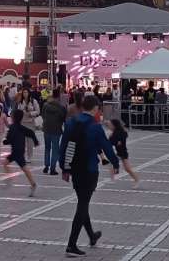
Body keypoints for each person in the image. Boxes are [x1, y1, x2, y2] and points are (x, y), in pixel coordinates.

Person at [60, 94, 119, 257]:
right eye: (98, 109)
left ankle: (92, 235)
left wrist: (64, 168)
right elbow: (106, 146)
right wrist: (115, 162)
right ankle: (71, 245)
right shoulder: (94, 126)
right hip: (89, 169)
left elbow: (63, 145)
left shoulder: (71, 122)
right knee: (83, 205)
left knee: (82, 202)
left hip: (75, 169)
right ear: (94, 109)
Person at [2, 109, 40, 196]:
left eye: (12, 115)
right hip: (19, 150)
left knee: (24, 168)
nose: (11, 116)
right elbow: (31, 133)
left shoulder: (12, 127)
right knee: (6, 163)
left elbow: (9, 139)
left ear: (14, 117)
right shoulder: (21, 127)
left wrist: (5, 142)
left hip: (17, 152)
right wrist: (36, 141)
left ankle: (33, 184)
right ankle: (10, 179)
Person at [41, 88, 67, 175]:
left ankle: (46, 166)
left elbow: (43, 115)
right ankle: (53, 168)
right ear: (59, 96)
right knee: (55, 149)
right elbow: (64, 119)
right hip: (56, 130)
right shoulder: (61, 108)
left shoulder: (45, 105)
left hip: (46, 129)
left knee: (47, 148)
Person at [107, 118, 140, 186]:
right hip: (119, 152)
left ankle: (136, 180)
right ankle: (113, 177)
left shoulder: (119, 133)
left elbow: (114, 142)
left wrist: (112, 139)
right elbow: (111, 143)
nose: (109, 127)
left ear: (114, 125)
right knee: (112, 162)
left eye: (110, 125)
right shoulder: (115, 133)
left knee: (127, 169)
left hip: (123, 153)